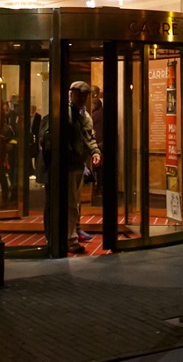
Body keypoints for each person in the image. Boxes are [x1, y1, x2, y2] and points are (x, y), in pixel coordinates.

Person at [64, 80, 102, 253]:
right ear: (71, 94)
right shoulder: (66, 113)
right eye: (79, 96)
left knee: (76, 202)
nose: (81, 99)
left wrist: (95, 152)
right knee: (71, 203)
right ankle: (70, 239)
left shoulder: (84, 116)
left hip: (78, 164)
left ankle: (73, 232)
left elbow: (89, 137)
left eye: (84, 96)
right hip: (68, 164)